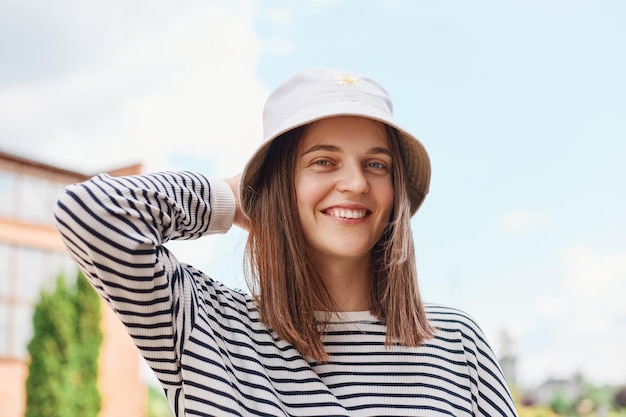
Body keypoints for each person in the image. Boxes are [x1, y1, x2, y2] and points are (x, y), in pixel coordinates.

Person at [54, 67, 518, 416]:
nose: (356, 183)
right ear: (280, 183)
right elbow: (90, 212)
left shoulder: (456, 343)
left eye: (376, 164)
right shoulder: (206, 329)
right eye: (323, 161)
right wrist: (245, 196)